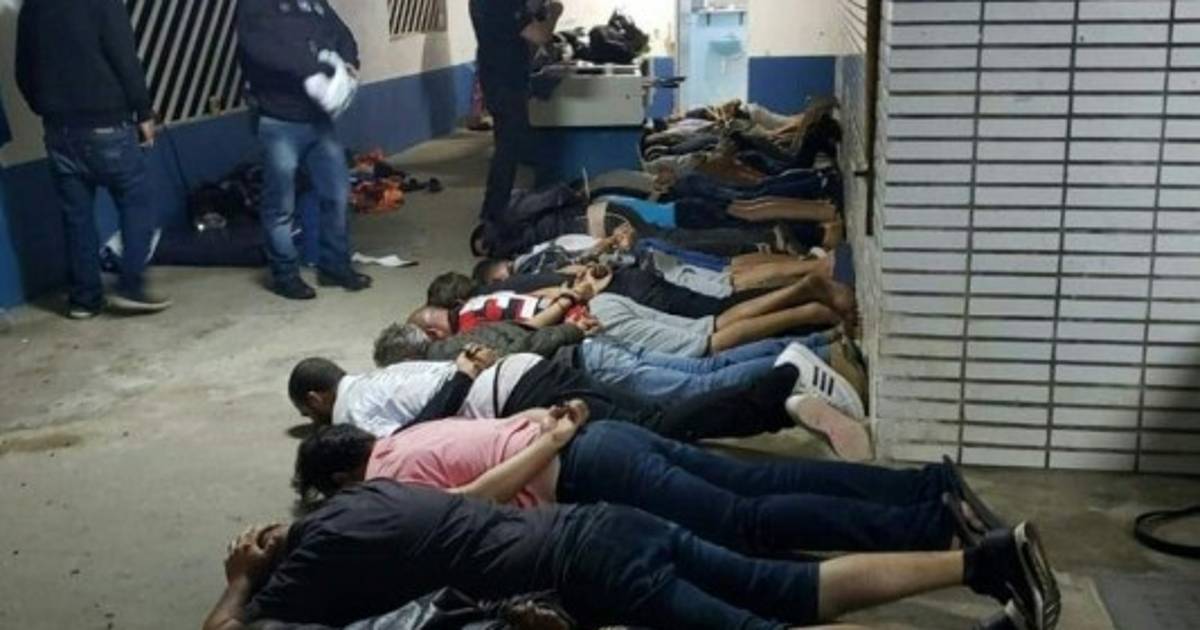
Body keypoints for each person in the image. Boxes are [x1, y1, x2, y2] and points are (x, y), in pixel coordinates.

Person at [201, 479, 1059, 630]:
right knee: (789, 586)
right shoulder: (365, 498)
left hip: (589, 569)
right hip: (602, 524)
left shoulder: (305, 569)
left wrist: (241, 582)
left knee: (767, 627)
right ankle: (982, 563)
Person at [294, 401, 1005, 557]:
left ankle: (932, 524)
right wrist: (555, 428)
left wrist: (552, 444)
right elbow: (500, 428)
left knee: (749, 521)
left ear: (343, 474)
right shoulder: (408, 434)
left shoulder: (391, 471)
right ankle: (924, 488)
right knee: (758, 485)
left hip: (585, 465)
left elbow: (468, 501)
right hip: (602, 441)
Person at [287, 342, 872, 459]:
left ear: (317, 399)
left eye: (308, 415)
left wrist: (461, 378)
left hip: (518, 393)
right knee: (658, 418)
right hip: (528, 370)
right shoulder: (381, 376)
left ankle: (784, 377)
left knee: (658, 428)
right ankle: (782, 402)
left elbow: (411, 437)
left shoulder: (351, 411)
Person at [15, 0, 172, 318]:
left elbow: (23, 72)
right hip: (106, 122)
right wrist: (144, 112)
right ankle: (130, 286)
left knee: (77, 217)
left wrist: (47, 107)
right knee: (136, 201)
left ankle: (84, 299)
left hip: (58, 129)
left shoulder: (33, 7)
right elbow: (124, 58)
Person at [235, 0, 372, 299]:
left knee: (337, 194)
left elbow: (342, 34)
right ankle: (285, 275)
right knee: (280, 205)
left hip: (319, 121)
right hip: (278, 119)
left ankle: (334, 266)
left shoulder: (313, 4)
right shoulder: (255, 6)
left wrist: (349, 63)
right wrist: (312, 70)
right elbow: (261, 51)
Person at [408, 268, 857, 358]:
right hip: (601, 302)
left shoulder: (470, 329)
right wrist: (572, 294)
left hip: (595, 322)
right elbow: (544, 291)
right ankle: (803, 291)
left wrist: (563, 312)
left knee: (709, 344)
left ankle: (814, 312)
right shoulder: (480, 300)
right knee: (714, 323)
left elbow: (526, 328)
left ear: (433, 333)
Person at [371, 320, 847, 402]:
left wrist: (568, 333)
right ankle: (819, 343)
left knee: (702, 387)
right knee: (708, 370)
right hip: (596, 350)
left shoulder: (452, 360)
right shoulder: (464, 336)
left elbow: (522, 355)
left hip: (587, 364)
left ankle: (821, 359)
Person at [469, 0, 563, 222]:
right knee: (509, 148)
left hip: (494, 77)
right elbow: (539, 35)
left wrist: (534, 9)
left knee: (507, 144)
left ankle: (497, 208)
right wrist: (555, 13)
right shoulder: (503, 4)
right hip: (506, 82)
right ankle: (495, 212)